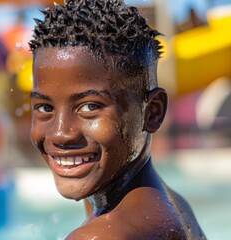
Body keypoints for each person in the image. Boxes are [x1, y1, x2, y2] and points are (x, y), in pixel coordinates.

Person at [28, 0, 206, 239]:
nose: (60, 133)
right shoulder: (173, 204)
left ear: (151, 112)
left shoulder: (102, 235)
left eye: (90, 106)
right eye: (45, 107)